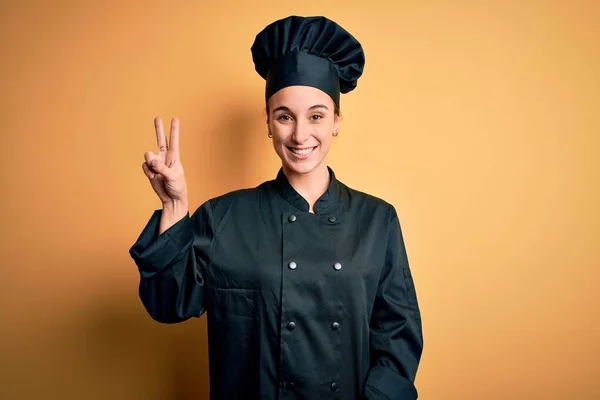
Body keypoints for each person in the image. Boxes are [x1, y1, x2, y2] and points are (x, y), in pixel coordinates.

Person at [129, 15, 423, 400]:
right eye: (285, 116)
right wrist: (174, 204)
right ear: (268, 122)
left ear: (336, 121)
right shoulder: (223, 217)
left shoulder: (377, 220)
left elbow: (398, 337)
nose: (301, 134)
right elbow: (168, 303)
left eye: (316, 116)